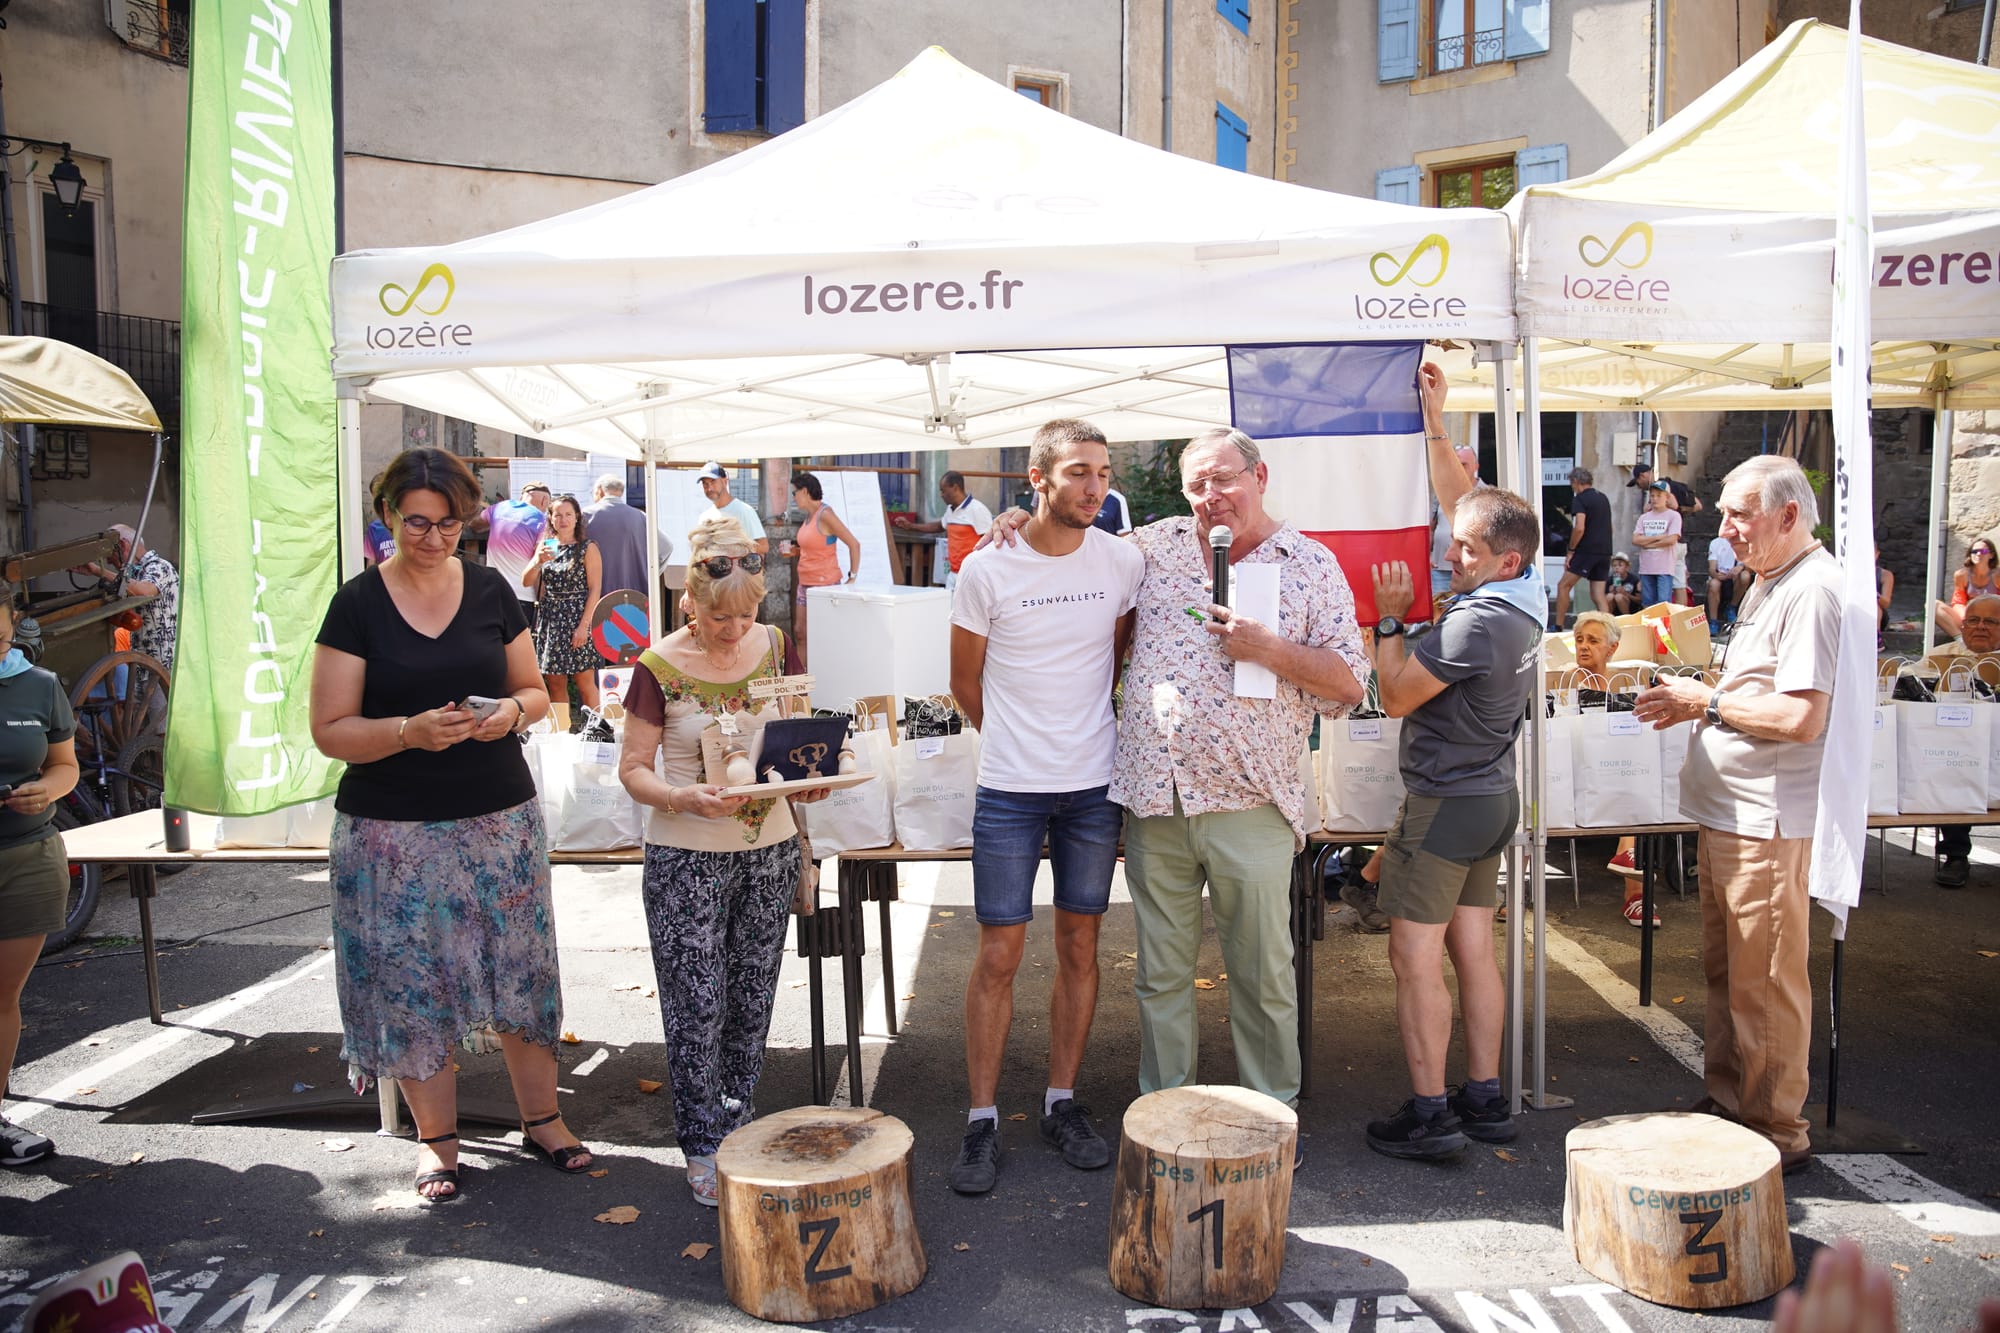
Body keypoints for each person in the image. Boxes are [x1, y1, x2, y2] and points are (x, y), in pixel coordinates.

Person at [310, 448, 589, 1204]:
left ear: (467, 521)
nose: (432, 537)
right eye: (416, 522)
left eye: (447, 523)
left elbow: (535, 693)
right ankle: (438, 1147)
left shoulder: (493, 588)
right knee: (412, 983)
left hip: (498, 816)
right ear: (389, 517)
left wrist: (507, 712)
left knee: (522, 970)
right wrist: (406, 731)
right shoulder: (358, 603)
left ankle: (544, 1121)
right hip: (390, 831)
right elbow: (330, 729)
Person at [1107, 417, 1374, 1105]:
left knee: (1261, 974)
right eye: (1197, 484)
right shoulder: (1153, 546)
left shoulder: (1309, 564)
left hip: (1250, 802)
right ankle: (1166, 1112)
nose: (1210, 495)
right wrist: (1019, 521)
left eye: (1223, 479)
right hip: (1156, 798)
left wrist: (1271, 649)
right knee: (1159, 975)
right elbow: (1073, 558)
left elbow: (1349, 683)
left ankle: (1269, 1115)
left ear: (1259, 478)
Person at [945, 419, 1142, 1196]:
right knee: (998, 954)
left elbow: (1119, 652)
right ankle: (981, 1118)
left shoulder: (1123, 560)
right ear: (1038, 478)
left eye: (1102, 472)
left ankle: (1062, 1101)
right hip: (1009, 790)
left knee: (1081, 948)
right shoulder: (985, 570)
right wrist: (1025, 744)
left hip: (1095, 787)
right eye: (1078, 472)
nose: (1094, 486)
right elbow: (965, 684)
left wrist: (1072, 739)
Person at [1632, 454, 1840, 1175]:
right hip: (1733, 814)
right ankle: (1730, 1103)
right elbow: (1758, 685)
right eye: (1723, 512)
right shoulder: (1770, 581)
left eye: (1740, 513)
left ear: (1789, 515)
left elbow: (1800, 714)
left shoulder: (1812, 589)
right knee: (1731, 974)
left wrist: (1705, 701)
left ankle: (1776, 1129)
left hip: (1766, 820)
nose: (1724, 528)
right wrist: (1696, 686)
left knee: (1767, 980)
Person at [614, 516, 827, 1206]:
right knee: (696, 1005)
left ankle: (736, 1117)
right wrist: (681, 795)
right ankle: (701, 1141)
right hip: (685, 861)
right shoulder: (657, 668)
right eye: (719, 617)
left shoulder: (777, 645)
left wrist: (812, 775)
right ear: (690, 604)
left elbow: (795, 745)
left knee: (752, 999)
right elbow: (632, 769)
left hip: (766, 854)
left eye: (746, 614)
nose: (736, 630)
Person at [1364, 477, 1544, 1159]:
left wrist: (1388, 621)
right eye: (1451, 544)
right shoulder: (1522, 607)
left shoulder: (1477, 620)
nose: (1448, 558)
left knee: (1413, 955)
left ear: (1507, 560)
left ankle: (1431, 1112)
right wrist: (1437, 427)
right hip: (1492, 795)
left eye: (1465, 550)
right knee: (1472, 950)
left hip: (1447, 803)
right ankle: (1484, 1095)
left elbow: (1396, 697)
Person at [0, 582, 78, 1169]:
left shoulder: (38, 686)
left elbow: (64, 766)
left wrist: (44, 791)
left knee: (3, 997)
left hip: (26, 857)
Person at [1569, 612, 1658, 926]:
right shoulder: (1560, 681)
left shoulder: (1626, 683)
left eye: (1593, 641)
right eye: (1579, 640)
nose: (1583, 647)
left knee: (1635, 783)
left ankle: (1636, 894)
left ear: (1612, 648)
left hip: (1612, 772)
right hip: (1571, 772)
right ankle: (1520, 891)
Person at [1929, 592, 2000, 888]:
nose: (1980, 627)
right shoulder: (1939, 657)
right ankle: (1956, 856)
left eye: (1991, 621)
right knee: (1949, 769)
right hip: (1957, 749)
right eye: (1973, 620)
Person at [523, 494, 604, 716]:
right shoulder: (546, 547)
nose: (563, 520)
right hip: (551, 620)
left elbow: (595, 588)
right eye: (558, 515)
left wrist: (584, 627)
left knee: (585, 682)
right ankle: (561, 737)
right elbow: (526, 581)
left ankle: (598, 732)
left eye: (568, 514)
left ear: (577, 517)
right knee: (555, 684)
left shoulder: (588, 548)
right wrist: (538, 561)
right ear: (550, 518)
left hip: (578, 617)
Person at [784, 471, 861, 667]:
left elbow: (854, 544)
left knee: (824, 636)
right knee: (800, 632)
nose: (793, 497)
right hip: (805, 584)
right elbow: (815, 546)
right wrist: (794, 551)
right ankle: (801, 685)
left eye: (795, 493)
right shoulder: (809, 517)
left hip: (825, 585)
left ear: (805, 491)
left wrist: (852, 578)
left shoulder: (825, 514)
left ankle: (827, 679)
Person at [101, 524, 178, 673]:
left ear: (122, 545)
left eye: (111, 558)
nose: (111, 563)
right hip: (144, 668)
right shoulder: (136, 575)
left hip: (163, 669)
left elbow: (145, 591)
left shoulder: (160, 567)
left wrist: (99, 571)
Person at [902, 471, 993, 590]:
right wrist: (910, 526)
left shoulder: (977, 509)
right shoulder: (950, 510)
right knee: (949, 607)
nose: (941, 494)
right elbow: (939, 526)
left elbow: (990, 540)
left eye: (943, 490)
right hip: (953, 573)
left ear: (955, 488)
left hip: (972, 574)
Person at [483, 481, 550, 632]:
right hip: (523, 597)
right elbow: (540, 562)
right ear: (545, 501)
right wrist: (543, 599)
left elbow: (476, 523)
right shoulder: (542, 520)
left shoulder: (500, 507)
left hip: (492, 592)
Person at [584, 472, 662, 597]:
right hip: (635, 596)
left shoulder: (586, 515)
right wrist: (650, 572)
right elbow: (667, 548)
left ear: (600, 491)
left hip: (597, 597)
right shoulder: (641, 517)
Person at [1552, 467, 1612, 629]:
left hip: (1586, 550)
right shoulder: (1603, 498)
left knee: (1563, 585)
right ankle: (1609, 628)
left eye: (1572, 484)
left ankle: (1558, 625)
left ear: (1576, 482)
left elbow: (1579, 527)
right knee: (1598, 593)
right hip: (1605, 550)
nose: (1572, 487)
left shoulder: (1580, 499)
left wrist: (1571, 550)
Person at [1428, 446, 1483, 603]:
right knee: (1437, 614)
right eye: (1456, 465)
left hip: (1469, 571)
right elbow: (1430, 527)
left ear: (1476, 466)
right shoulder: (1442, 492)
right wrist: (1426, 555)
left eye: (1464, 465)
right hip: (1440, 567)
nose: (1459, 469)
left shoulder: (1486, 494)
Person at [695, 462, 769, 555]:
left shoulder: (744, 510)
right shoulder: (704, 517)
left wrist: (735, 548)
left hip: (738, 568)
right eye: (705, 484)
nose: (709, 488)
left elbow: (763, 547)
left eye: (713, 481)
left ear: (725, 481)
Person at [1932, 536, 1997, 641]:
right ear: (1970, 555)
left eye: (1983, 551)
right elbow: (1958, 602)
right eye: (1974, 551)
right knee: (1933, 605)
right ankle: (1961, 640)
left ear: (1991, 555)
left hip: (1993, 620)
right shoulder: (1961, 575)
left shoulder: (1997, 575)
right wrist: (1967, 617)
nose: (1978, 554)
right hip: (1970, 618)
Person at [1631, 483, 1683, 608]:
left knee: (1664, 603)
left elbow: (1671, 539)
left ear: (1667, 497)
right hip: (1646, 567)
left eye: (1659, 496)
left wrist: (1648, 543)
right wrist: (1658, 537)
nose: (1654, 499)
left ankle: (1663, 627)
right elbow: (1635, 539)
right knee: (1647, 602)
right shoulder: (1644, 518)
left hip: (1664, 567)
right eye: (1652, 496)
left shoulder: (1673, 516)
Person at [1707, 532, 1753, 633]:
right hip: (1720, 577)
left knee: (1745, 576)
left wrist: (1740, 567)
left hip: (1736, 578)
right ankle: (1713, 621)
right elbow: (1711, 569)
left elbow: (1750, 568)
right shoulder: (1716, 543)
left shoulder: (1744, 542)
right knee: (1714, 584)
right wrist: (1718, 575)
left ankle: (1732, 607)